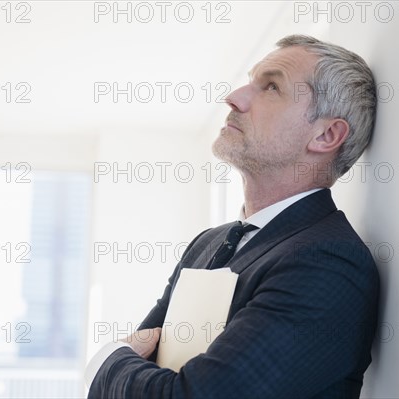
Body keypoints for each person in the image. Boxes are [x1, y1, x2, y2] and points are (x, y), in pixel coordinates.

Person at [86, 34, 379, 398]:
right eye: (250, 81)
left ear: (325, 135)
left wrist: (105, 361)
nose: (235, 97)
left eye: (271, 86)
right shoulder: (207, 243)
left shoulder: (328, 263)